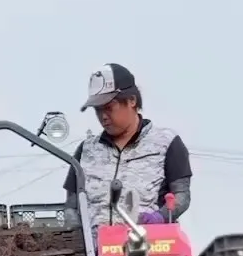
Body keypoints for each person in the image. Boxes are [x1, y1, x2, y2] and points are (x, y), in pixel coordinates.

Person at [63, 63, 192, 234]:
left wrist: (160, 217)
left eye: (109, 108)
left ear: (132, 100)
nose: (103, 116)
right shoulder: (86, 150)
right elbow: (71, 206)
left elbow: (181, 196)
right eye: (98, 110)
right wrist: (77, 233)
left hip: (147, 250)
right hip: (95, 254)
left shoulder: (166, 143)